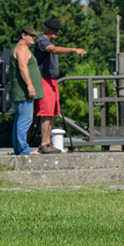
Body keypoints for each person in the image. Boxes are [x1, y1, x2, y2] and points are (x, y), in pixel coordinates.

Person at [34, 19, 86, 154]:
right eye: (55, 30)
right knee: (46, 113)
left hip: (51, 81)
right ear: (48, 30)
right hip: (44, 80)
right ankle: (43, 144)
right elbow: (55, 50)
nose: (57, 33)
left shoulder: (48, 41)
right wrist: (73, 49)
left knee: (53, 113)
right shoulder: (42, 41)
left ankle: (47, 142)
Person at [9, 26, 44, 155]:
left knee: (20, 119)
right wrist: (30, 85)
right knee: (25, 120)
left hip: (21, 91)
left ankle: (19, 149)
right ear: (23, 36)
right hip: (24, 92)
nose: (34, 38)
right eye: (31, 36)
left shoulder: (20, 48)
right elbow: (23, 67)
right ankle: (24, 149)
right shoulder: (22, 48)